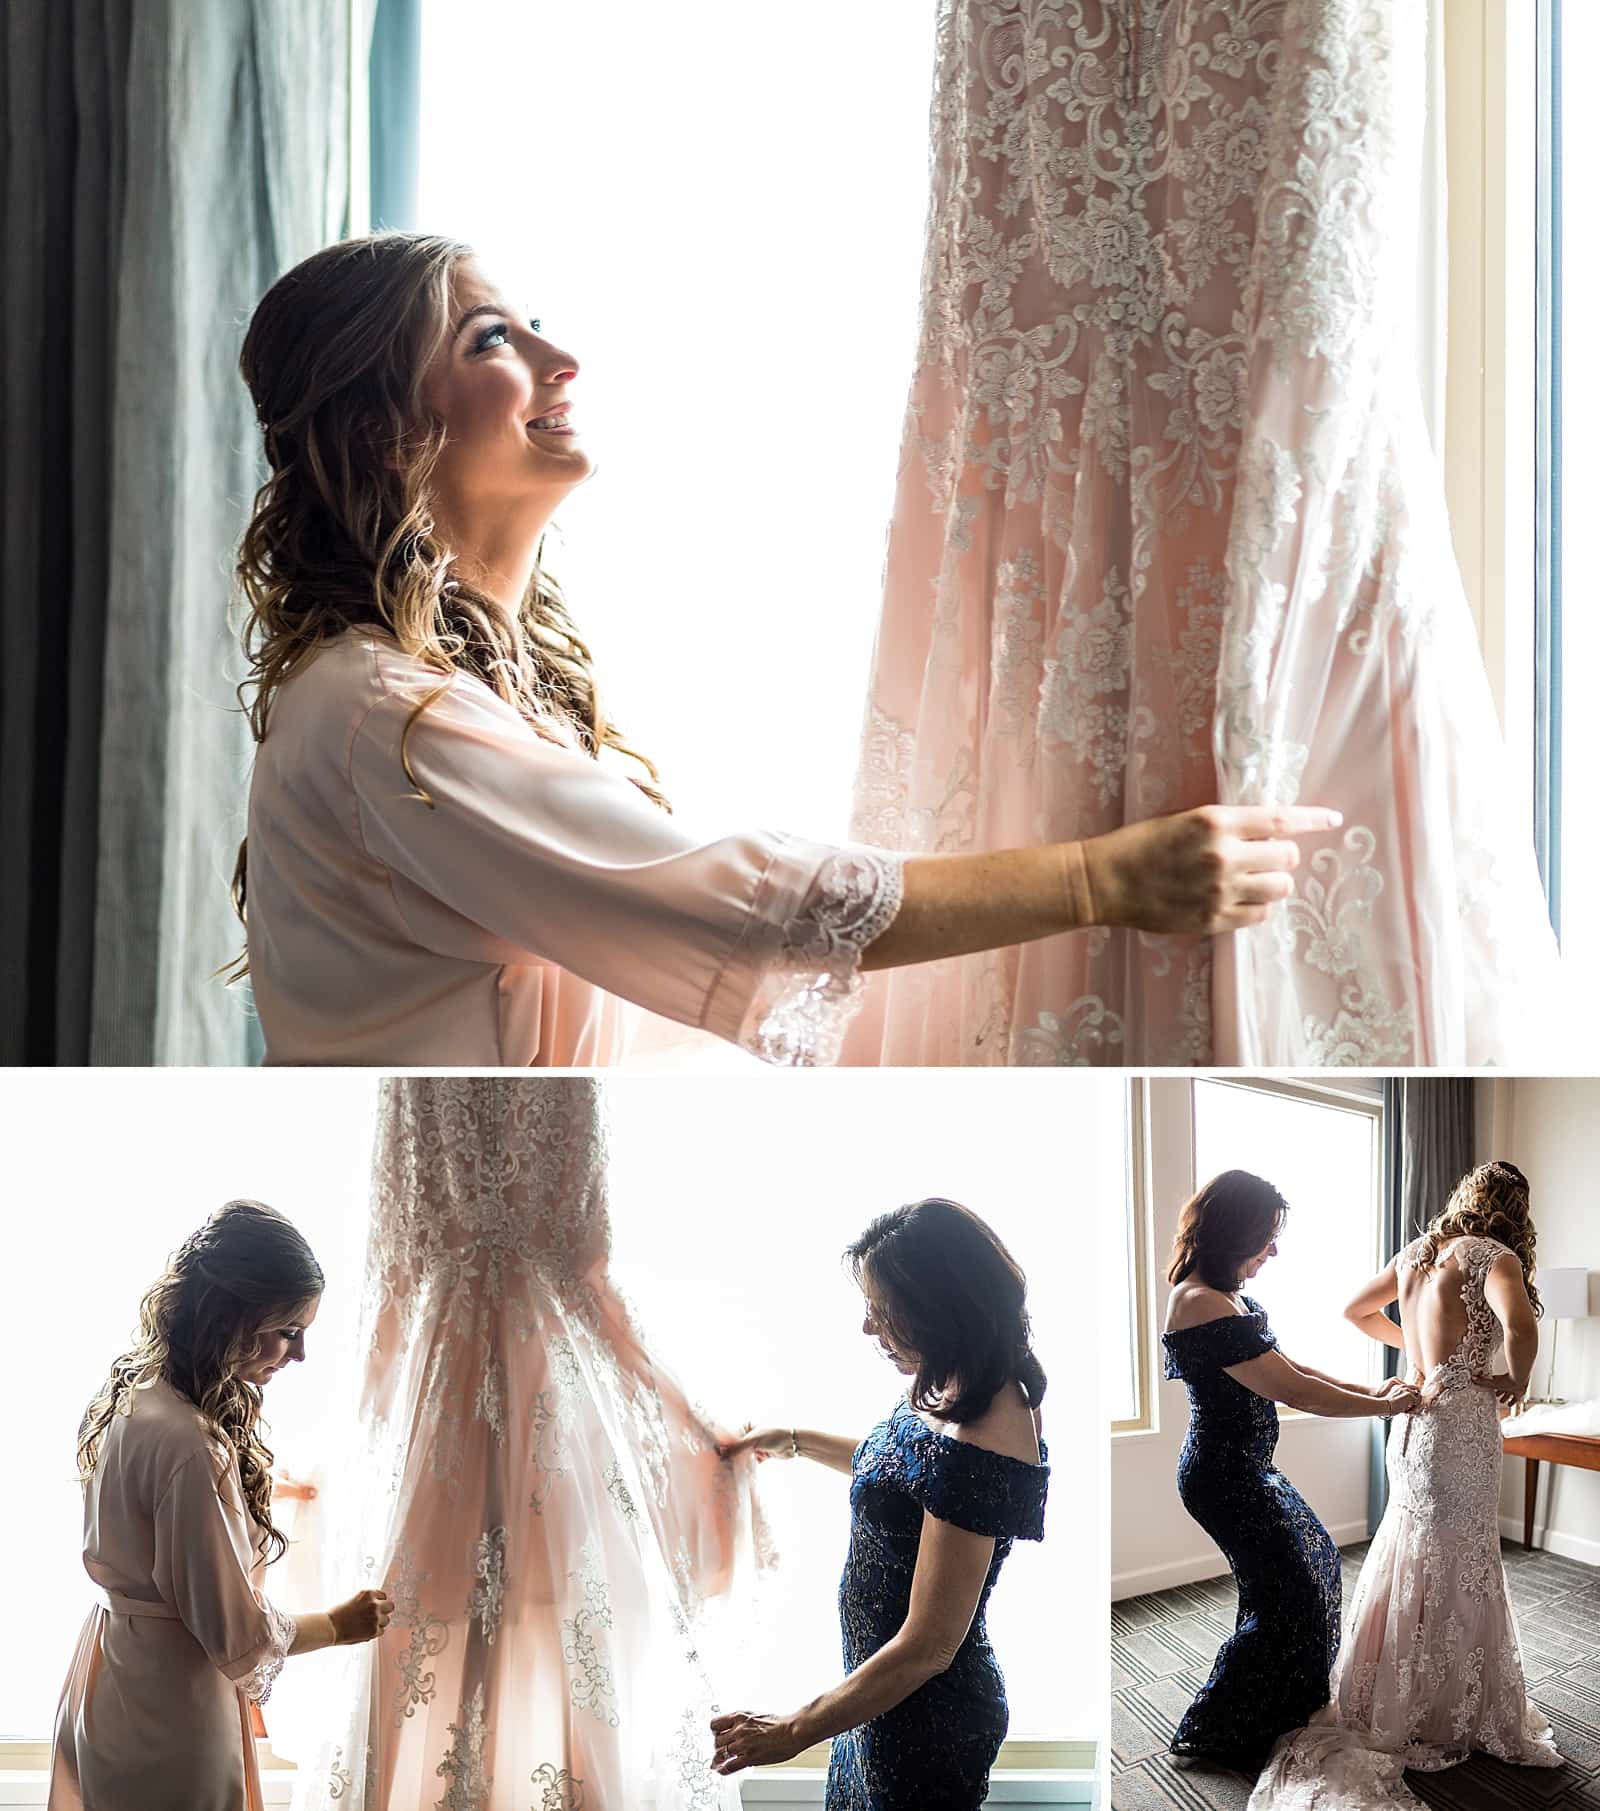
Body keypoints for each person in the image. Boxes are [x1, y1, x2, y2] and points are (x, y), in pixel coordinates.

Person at [230, 230, 1339, 1067]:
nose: (560, 357)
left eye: (532, 324)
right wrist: (1104, 876)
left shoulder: (458, 691)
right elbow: (728, 905)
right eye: (492, 340)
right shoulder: (383, 716)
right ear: (382, 430)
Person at [278, 1077, 766, 1810]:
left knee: (469, 1632)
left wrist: (349, 1432)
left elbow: (393, 1283)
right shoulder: (544, 1081)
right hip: (539, 1384)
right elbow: (583, 1269)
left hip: (457, 1382)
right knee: (537, 1636)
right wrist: (682, 1413)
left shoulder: (418, 1082)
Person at [48, 1200, 391, 1811]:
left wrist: (233, 1496)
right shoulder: (190, 1445)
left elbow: (145, 1518)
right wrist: (339, 1624)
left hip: (113, 1682)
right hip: (171, 1710)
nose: (300, 1354)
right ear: (230, 1315)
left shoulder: (135, 1393)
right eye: (288, 1330)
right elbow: (240, 1635)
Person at [711, 1198, 1049, 1809]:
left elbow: (930, 1645)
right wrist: (790, 1440)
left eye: (882, 1312)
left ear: (940, 1307)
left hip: (925, 1717)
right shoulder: (954, 1380)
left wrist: (793, 1729)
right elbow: (899, 1470)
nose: (869, 1328)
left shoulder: (991, 1425)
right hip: (876, 1696)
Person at [1249, 1161, 1563, 1808]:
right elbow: (1522, 1328)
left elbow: (1354, 1309)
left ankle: (1388, 1696)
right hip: (1462, 1427)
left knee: (1410, 1545)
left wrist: (1419, 1358)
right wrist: (1518, 1380)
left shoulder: (1418, 1252)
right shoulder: (1492, 1255)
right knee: (1463, 1555)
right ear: (1514, 1209)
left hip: (1413, 1418)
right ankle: (1449, 1707)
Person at [1160, 1171, 1419, 1775]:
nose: (1273, 1251)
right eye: (1266, 1237)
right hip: (1223, 1477)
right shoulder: (1198, 1300)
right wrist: (1384, 1405)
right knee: (1285, 1596)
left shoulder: (1227, 1297)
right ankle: (1231, 1726)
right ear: (1232, 1233)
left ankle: (1283, 1704)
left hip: (1249, 1467)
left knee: (1318, 1563)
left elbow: (1291, 1365)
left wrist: (1372, 1386)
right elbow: (1294, 1390)